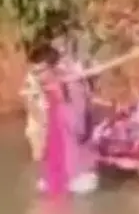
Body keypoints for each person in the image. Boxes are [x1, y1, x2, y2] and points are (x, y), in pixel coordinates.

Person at [29, 42, 99, 195]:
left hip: (78, 177)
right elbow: (46, 129)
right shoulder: (47, 90)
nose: (38, 78)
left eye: (40, 72)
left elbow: (79, 129)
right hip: (55, 172)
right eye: (34, 73)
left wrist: (62, 99)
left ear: (53, 67)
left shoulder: (74, 87)